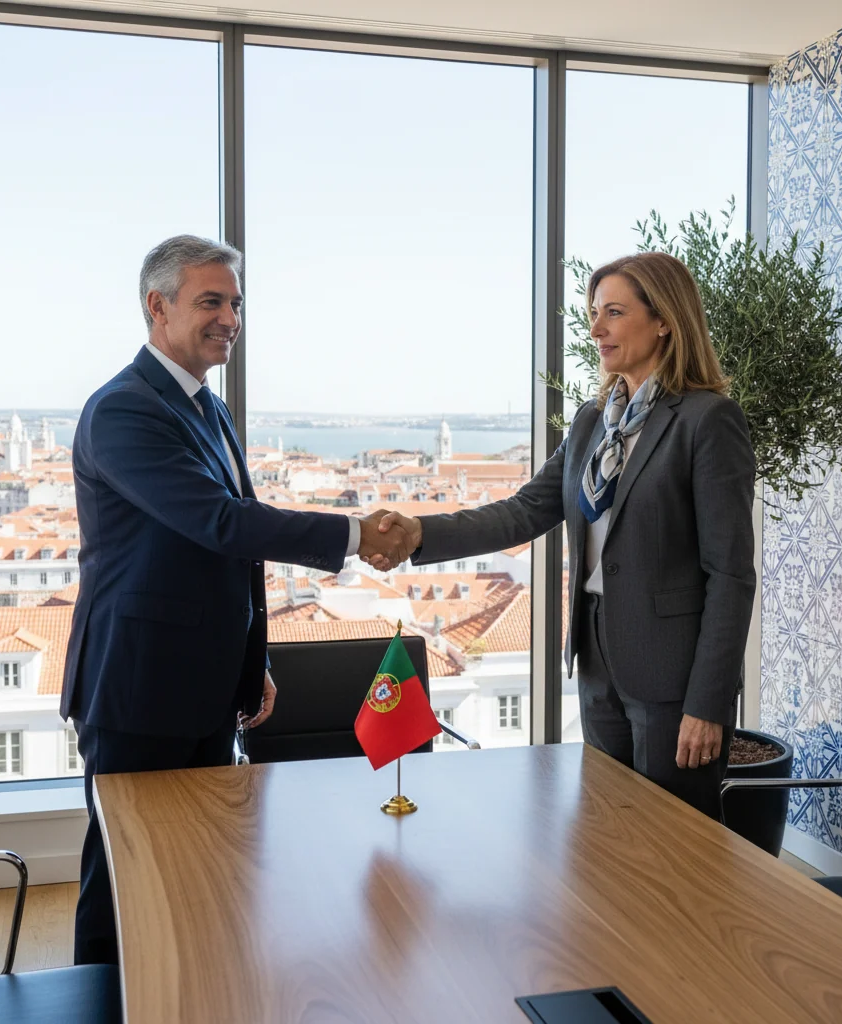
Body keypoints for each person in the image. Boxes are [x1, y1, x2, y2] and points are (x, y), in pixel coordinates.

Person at [63, 235, 413, 964]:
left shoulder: (205, 408)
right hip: (137, 684)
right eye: (211, 302)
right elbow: (220, 524)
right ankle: (100, 1001)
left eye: (236, 303)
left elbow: (230, 557)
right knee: (126, 873)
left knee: (199, 863)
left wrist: (251, 664)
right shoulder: (123, 411)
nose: (230, 318)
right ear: (157, 307)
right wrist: (356, 533)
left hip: (202, 683)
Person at [376, 252, 755, 820]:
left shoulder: (706, 420)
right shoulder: (592, 422)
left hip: (674, 674)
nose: (596, 329)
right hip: (599, 656)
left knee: (676, 849)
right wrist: (419, 534)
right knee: (607, 832)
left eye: (614, 313)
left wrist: (708, 703)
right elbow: (524, 512)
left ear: (664, 320)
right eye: (594, 313)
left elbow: (730, 575)